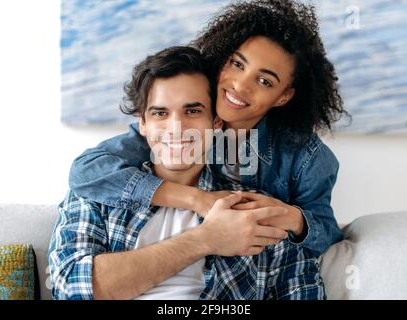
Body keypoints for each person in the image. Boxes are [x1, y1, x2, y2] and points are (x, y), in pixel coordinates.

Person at [68, 0, 349, 258]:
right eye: (237, 64)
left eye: (264, 81)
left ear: (284, 96)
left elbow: (328, 235)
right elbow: (86, 171)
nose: (240, 85)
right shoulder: (181, 123)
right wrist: (198, 200)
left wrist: (294, 219)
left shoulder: (308, 159)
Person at [48, 46, 326, 300]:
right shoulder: (97, 192)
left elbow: (302, 287)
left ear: (216, 121)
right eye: (159, 114)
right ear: (141, 123)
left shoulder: (253, 208)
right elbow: (69, 287)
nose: (177, 128)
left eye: (192, 111)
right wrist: (206, 239)